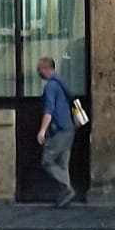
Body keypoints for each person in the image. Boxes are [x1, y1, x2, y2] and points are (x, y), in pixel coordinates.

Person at [36, 55, 77, 207]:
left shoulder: (51, 87)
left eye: (40, 69)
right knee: (62, 164)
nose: (38, 73)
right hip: (69, 128)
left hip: (58, 129)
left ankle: (67, 188)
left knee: (47, 161)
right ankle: (65, 195)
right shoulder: (61, 82)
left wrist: (42, 131)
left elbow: (49, 111)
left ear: (47, 69)